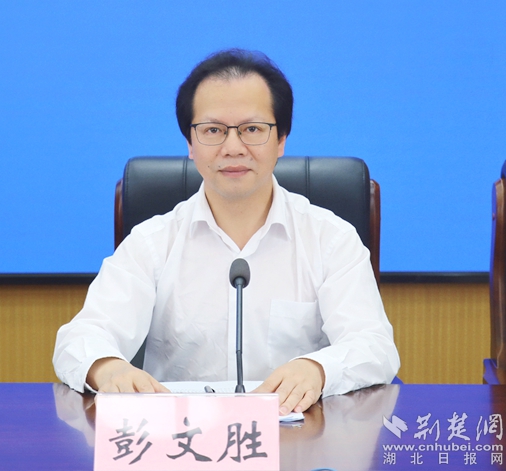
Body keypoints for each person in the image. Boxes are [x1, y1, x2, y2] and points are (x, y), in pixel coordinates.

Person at [53, 48, 399, 416]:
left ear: (281, 139)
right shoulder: (152, 244)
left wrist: (318, 369)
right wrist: (109, 369)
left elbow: (374, 345)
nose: (233, 148)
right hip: (181, 435)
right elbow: (80, 339)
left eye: (252, 129)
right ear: (190, 144)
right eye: (213, 131)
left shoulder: (331, 240)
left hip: (299, 436)